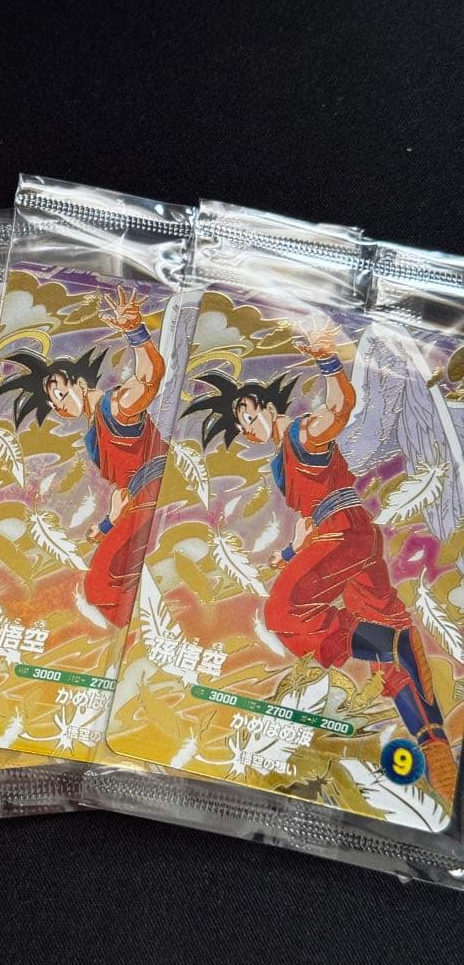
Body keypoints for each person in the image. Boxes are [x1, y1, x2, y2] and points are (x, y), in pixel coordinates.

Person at [188, 322, 457, 803]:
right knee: (390, 636)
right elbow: (311, 514)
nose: (246, 428)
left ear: (266, 407)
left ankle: (389, 645)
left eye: (247, 414)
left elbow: (339, 408)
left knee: (283, 613)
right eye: (240, 425)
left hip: (345, 534)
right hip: (350, 538)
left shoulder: (302, 433)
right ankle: (434, 747)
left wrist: (328, 361)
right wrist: (292, 553)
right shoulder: (284, 458)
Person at [0, 287, 167, 627]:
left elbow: (149, 380)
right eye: (52, 402)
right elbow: (122, 493)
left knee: (102, 585)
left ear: (79, 383)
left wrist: (136, 331)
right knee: (109, 588)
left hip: (155, 497)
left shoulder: (116, 406)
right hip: (138, 502)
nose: (58, 405)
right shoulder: (96, 426)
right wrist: (107, 524)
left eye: (60, 393)